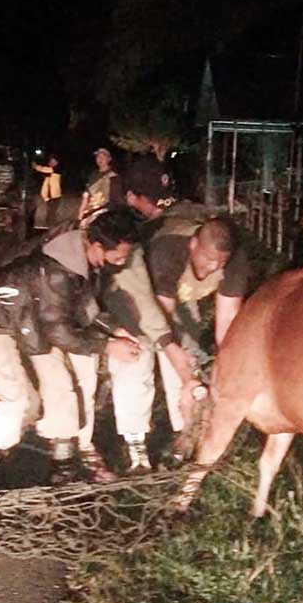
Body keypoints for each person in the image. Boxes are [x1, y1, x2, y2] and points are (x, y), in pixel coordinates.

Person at [0, 209, 142, 484]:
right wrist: (109, 346)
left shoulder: (84, 259)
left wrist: (114, 329)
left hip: (36, 317)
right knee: (16, 396)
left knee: (61, 387)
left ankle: (63, 470)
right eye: (118, 256)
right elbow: (60, 332)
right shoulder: (58, 271)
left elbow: (83, 307)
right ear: (98, 247)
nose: (121, 262)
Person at [94, 161, 198, 472]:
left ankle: (182, 436)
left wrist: (166, 340)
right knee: (138, 359)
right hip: (136, 310)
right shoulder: (121, 228)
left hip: (168, 308)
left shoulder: (160, 224)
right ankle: (145, 443)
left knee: (176, 363)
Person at [147, 216, 251, 447]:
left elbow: (227, 321)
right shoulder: (169, 249)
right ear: (194, 244)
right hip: (148, 297)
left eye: (220, 263)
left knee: (190, 356)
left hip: (185, 296)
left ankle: (185, 431)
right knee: (146, 353)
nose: (214, 267)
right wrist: (184, 370)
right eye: (209, 258)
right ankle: (135, 438)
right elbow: (162, 321)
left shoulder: (235, 260)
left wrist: (223, 373)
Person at [78, 147, 120, 224]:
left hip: (105, 212)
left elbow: (116, 199)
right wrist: (81, 211)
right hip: (91, 210)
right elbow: (86, 195)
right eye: (98, 157)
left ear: (109, 159)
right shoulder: (93, 175)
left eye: (103, 157)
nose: (100, 159)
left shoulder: (113, 176)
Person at [31, 153, 62, 229]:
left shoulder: (56, 170)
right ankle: (51, 227)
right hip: (52, 196)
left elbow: (43, 169)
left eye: (53, 161)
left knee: (51, 213)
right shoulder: (51, 173)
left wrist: (35, 166)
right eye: (50, 161)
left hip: (54, 196)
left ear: (56, 163)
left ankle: (51, 227)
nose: (51, 163)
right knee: (51, 213)